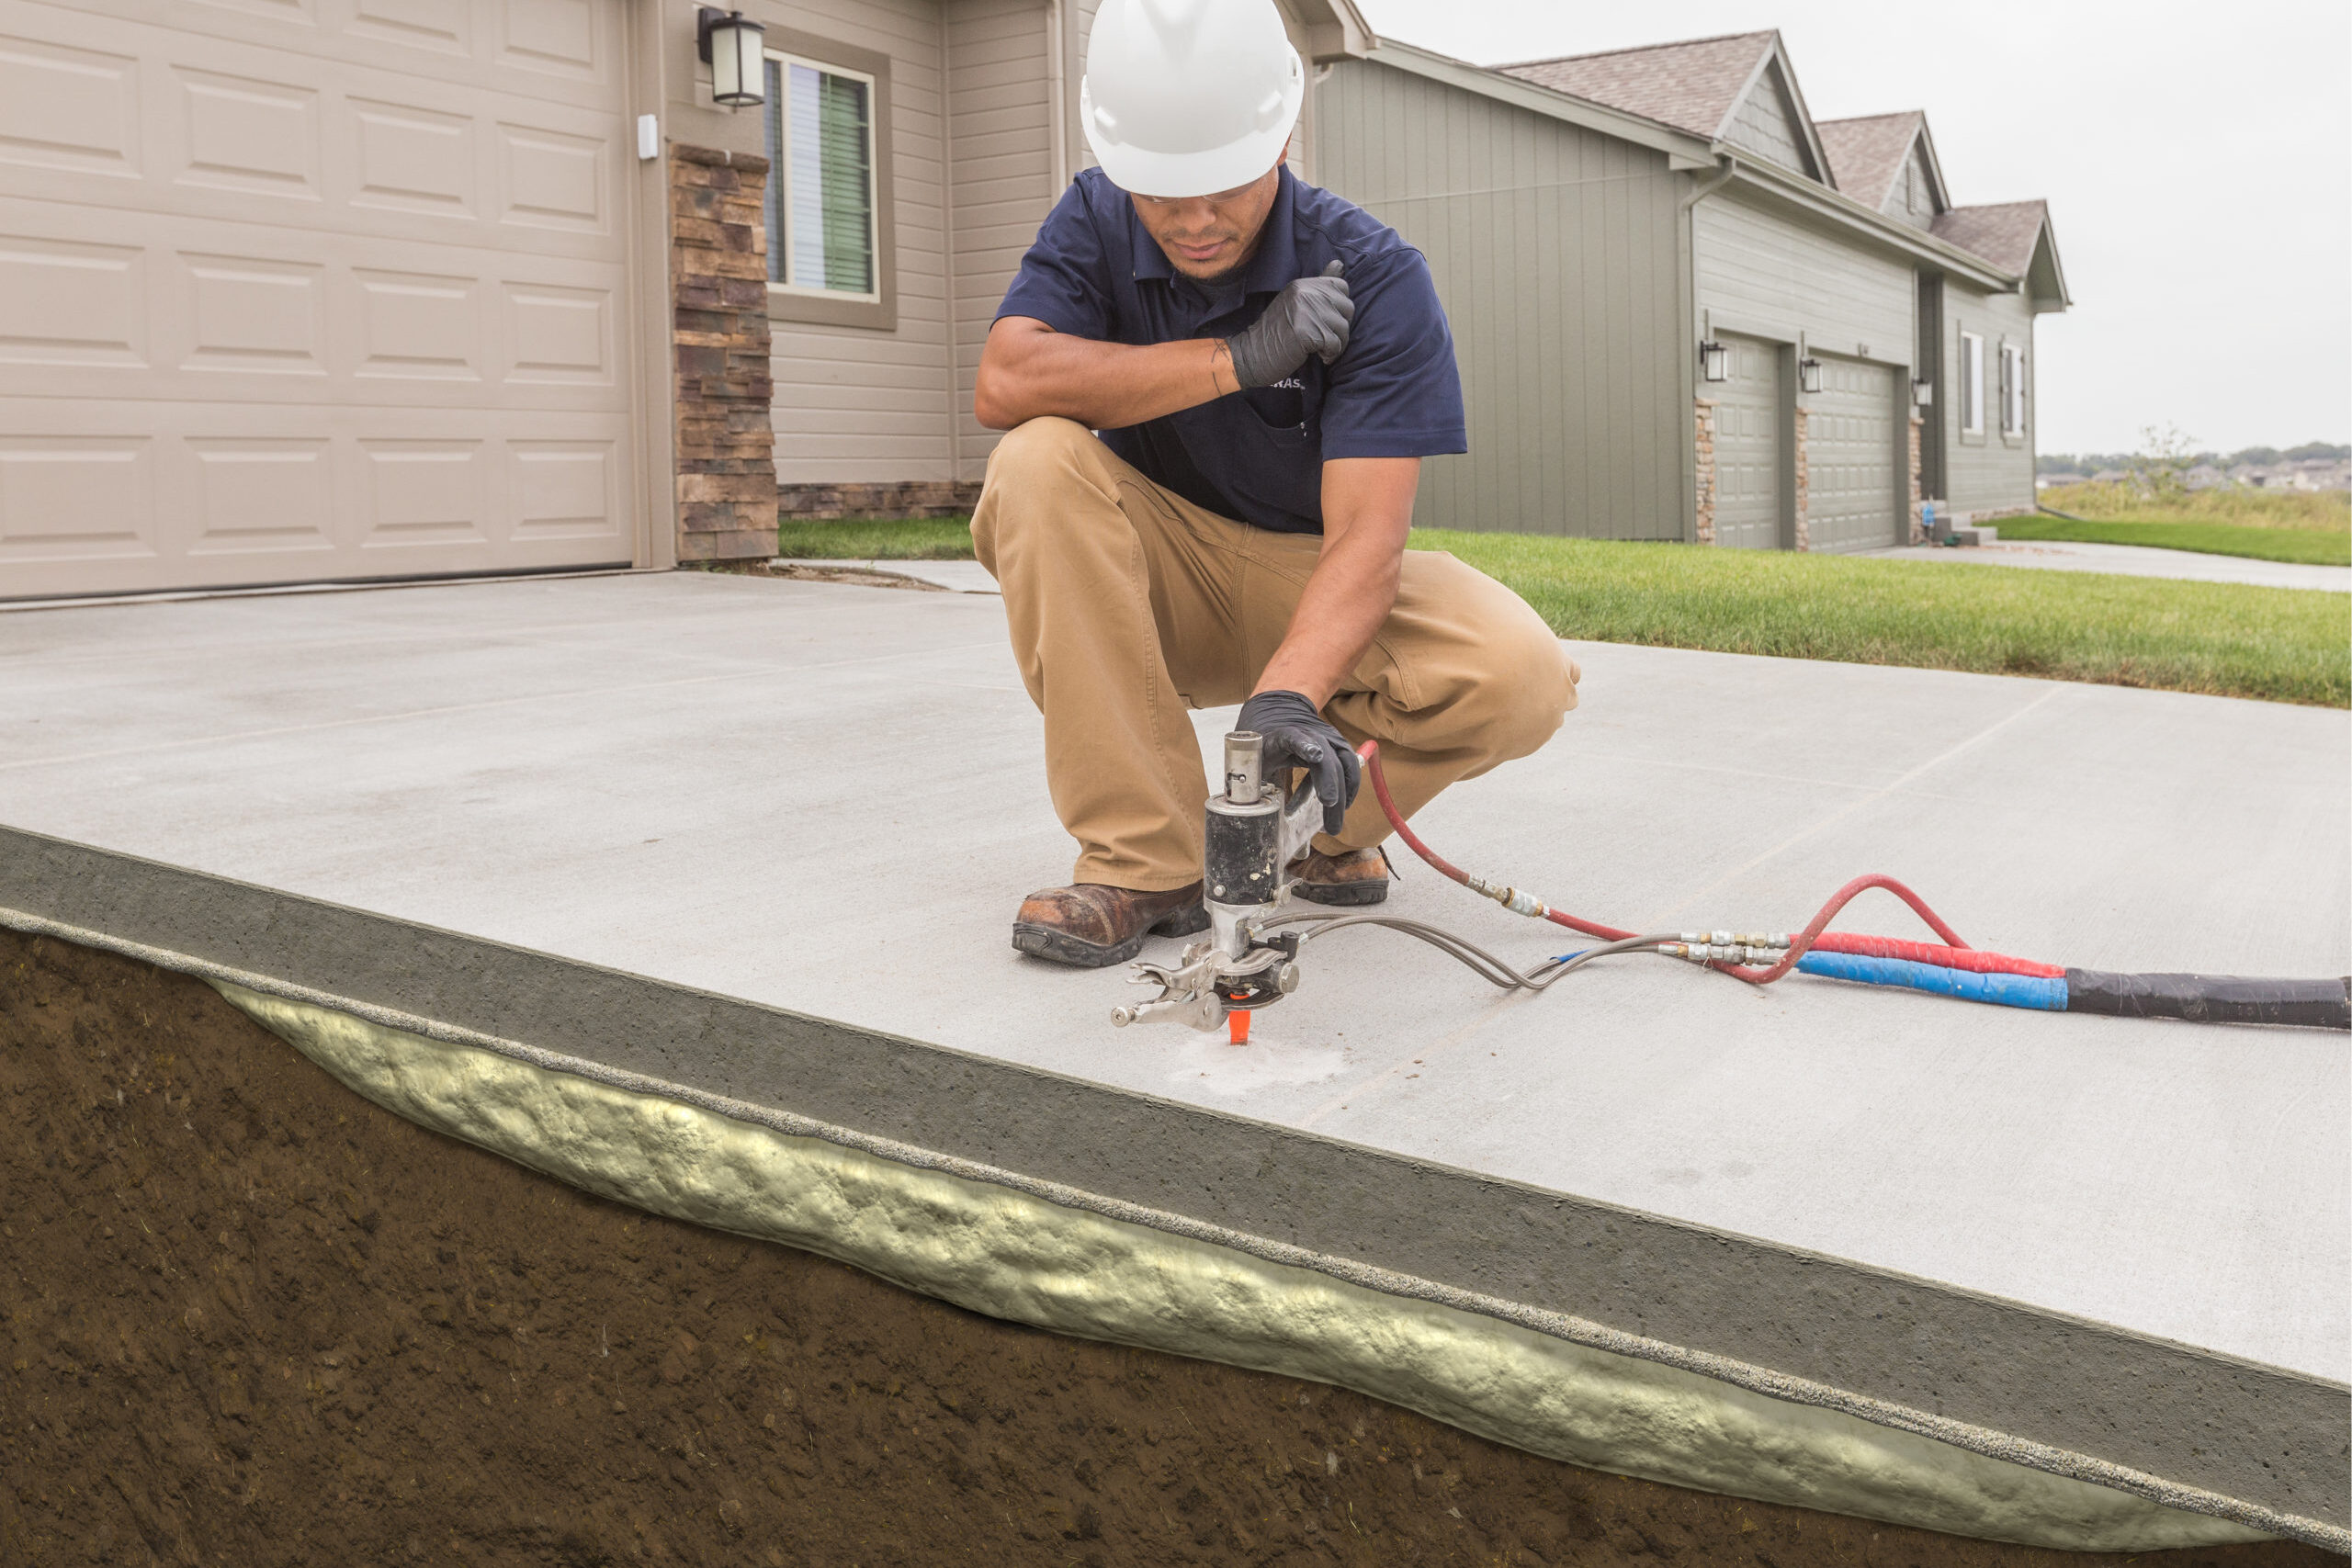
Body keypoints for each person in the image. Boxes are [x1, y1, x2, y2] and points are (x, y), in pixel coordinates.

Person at [973, 0, 1578, 969]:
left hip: (1313, 578)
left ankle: (1314, 831)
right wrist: (1237, 356)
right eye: (1162, 194)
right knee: (1035, 460)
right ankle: (1144, 862)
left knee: (1519, 674)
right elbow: (1006, 381)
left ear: (1282, 136)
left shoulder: (1377, 275)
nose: (1194, 221)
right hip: (1149, 581)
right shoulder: (1093, 214)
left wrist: (1289, 698)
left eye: (1222, 188)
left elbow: (1367, 542)